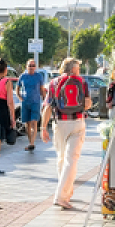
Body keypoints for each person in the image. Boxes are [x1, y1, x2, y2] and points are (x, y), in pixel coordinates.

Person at [40, 58, 91, 210]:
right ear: (74, 69)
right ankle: (61, 196)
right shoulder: (82, 82)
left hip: (59, 124)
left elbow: (48, 107)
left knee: (62, 159)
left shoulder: (54, 83)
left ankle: (66, 193)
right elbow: (87, 105)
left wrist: (43, 127)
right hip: (77, 123)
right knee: (72, 160)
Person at [16, 59, 47, 152]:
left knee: (34, 122)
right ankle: (30, 142)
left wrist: (45, 100)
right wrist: (21, 98)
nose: (31, 67)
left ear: (35, 67)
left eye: (33, 65)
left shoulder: (39, 76)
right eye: (30, 65)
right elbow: (17, 89)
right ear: (26, 66)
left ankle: (32, 143)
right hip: (25, 102)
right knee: (27, 124)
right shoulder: (22, 76)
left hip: (36, 102)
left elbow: (42, 89)